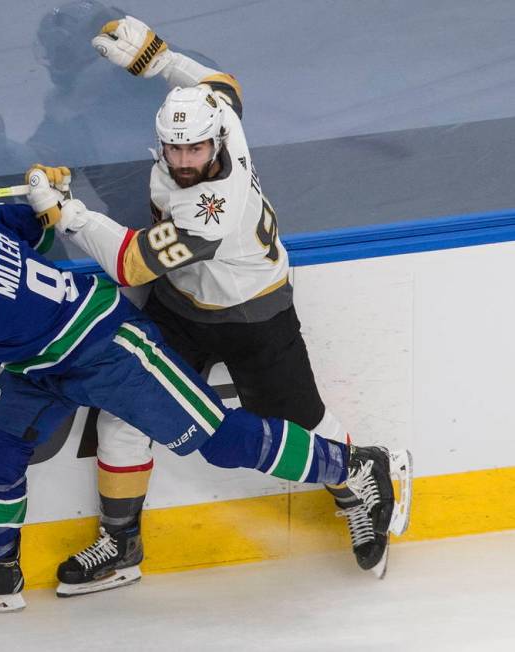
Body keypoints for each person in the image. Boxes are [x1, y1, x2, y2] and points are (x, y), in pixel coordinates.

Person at [0, 187, 412, 615]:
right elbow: (27, 224)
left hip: (109, 351)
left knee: (221, 441)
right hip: (39, 361)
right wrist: (44, 208)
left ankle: (354, 466)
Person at [33, 15, 408, 592]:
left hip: (254, 315)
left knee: (300, 423)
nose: (183, 161)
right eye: (174, 149)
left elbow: (131, 261)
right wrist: (158, 60)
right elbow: (221, 81)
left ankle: (364, 477)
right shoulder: (219, 121)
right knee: (124, 416)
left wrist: (67, 215)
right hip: (179, 308)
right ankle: (122, 542)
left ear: (214, 145)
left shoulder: (210, 210)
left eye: (195, 150)